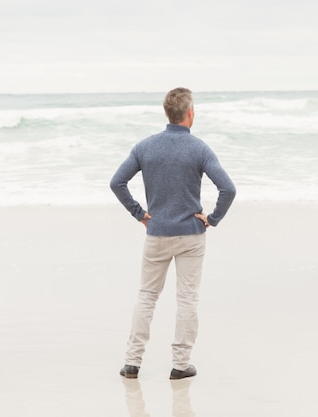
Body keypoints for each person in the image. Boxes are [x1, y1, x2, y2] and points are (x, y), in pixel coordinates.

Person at [110, 87, 236, 380]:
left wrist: (140, 214)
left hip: (156, 234)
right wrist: (213, 219)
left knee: (147, 296)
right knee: (187, 298)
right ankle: (181, 365)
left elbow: (117, 182)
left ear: (167, 113)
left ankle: (132, 363)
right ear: (190, 114)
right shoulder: (200, 149)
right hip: (191, 234)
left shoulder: (145, 147)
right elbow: (228, 189)